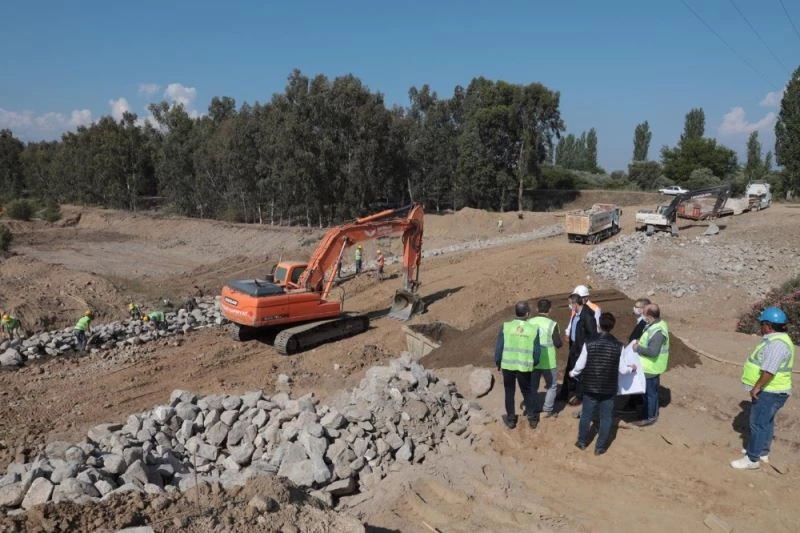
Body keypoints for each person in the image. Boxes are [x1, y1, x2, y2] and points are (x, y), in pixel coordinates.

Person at [731, 306, 795, 470]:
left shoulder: (776, 345)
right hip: (774, 390)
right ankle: (762, 452)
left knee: (758, 424)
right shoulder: (777, 340)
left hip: (770, 391)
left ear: (768, 325)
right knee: (766, 422)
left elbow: (769, 371)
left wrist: (757, 387)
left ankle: (752, 459)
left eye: (762, 324)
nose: (760, 327)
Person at [570, 312, 637, 455]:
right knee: (606, 417)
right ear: (613, 326)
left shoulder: (589, 342)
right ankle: (600, 447)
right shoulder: (619, 346)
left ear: (599, 324)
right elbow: (622, 370)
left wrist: (573, 373)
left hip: (590, 386)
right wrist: (632, 368)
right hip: (609, 388)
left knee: (586, 415)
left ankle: (582, 442)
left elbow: (580, 365)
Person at [495, 301, 541, 429]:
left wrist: (498, 363)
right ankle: (532, 418)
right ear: (527, 313)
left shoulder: (506, 326)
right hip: (524, 367)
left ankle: (511, 420)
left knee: (509, 392)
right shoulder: (533, 329)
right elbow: (537, 352)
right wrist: (534, 363)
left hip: (508, 366)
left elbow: (499, 348)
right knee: (527, 391)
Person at [631, 303, 669, 426]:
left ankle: (650, 417)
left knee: (650, 394)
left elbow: (653, 352)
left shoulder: (658, 331)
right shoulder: (654, 325)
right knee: (650, 393)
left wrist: (638, 348)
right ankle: (648, 412)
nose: (643, 315)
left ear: (649, 315)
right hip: (649, 366)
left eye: (644, 313)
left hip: (651, 368)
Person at [559, 292, 598, 406]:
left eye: (570, 304)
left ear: (575, 304)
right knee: (571, 370)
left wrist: (586, 351)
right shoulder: (577, 314)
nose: (569, 306)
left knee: (581, 372)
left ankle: (579, 396)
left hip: (581, 349)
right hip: (574, 347)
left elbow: (592, 335)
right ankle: (567, 393)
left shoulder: (588, 317)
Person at [527, 298, 563, 419]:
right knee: (552, 385)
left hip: (532, 359)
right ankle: (547, 410)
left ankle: (532, 408)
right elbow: (558, 343)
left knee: (533, 386)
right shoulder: (552, 324)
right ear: (550, 310)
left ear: (537, 309)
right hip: (548, 360)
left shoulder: (529, 322)